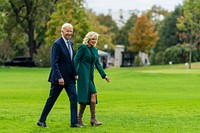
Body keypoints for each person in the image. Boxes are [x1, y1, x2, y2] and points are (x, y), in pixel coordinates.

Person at [37, 23, 81, 128]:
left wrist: (75, 74)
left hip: (70, 78)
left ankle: (74, 122)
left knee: (74, 97)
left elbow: (72, 61)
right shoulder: (57, 44)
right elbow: (54, 62)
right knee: (52, 99)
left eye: (71, 31)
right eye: (67, 31)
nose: (69, 33)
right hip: (59, 79)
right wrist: (59, 77)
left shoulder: (70, 44)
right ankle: (41, 121)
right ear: (62, 32)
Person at [74, 31, 110, 126]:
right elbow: (76, 59)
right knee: (86, 97)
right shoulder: (83, 47)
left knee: (93, 94)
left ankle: (92, 118)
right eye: (93, 39)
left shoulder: (95, 50)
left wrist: (104, 75)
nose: (94, 41)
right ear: (88, 39)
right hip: (82, 75)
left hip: (90, 76)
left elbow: (97, 63)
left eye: (95, 39)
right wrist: (74, 73)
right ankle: (79, 118)